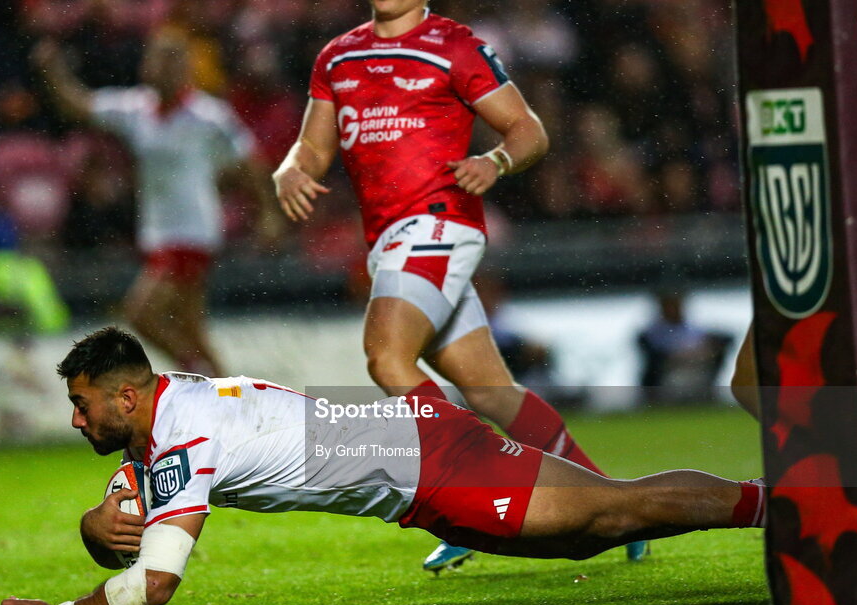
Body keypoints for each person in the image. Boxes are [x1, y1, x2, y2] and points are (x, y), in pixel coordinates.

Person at [0, 327, 766, 605]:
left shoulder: (183, 436)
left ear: (125, 397)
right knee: (590, 536)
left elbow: (153, 586)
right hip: (416, 467)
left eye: (81, 402)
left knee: (617, 508)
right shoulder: (165, 408)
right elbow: (131, 528)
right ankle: (773, 504)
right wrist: (95, 528)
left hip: (434, 465)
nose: (74, 419)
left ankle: (782, 504)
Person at [271, 0, 640, 569]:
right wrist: (292, 168)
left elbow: (528, 129)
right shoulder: (337, 55)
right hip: (390, 240)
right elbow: (315, 147)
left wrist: (495, 160)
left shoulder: (455, 44)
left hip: (438, 224)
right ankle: (621, 507)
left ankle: (470, 496)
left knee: (387, 357)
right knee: (493, 393)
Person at [33, 24, 280, 376]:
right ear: (146, 64)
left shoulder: (208, 115)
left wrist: (268, 213)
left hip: (193, 230)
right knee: (192, 330)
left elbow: (250, 163)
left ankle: (196, 374)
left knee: (140, 314)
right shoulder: (136, 109)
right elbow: (79, 106)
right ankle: (233, 399)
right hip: (158, 232)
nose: (162, 67)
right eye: (157, 58)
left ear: (186, 68)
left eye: (172, 59)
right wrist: (52, 69)